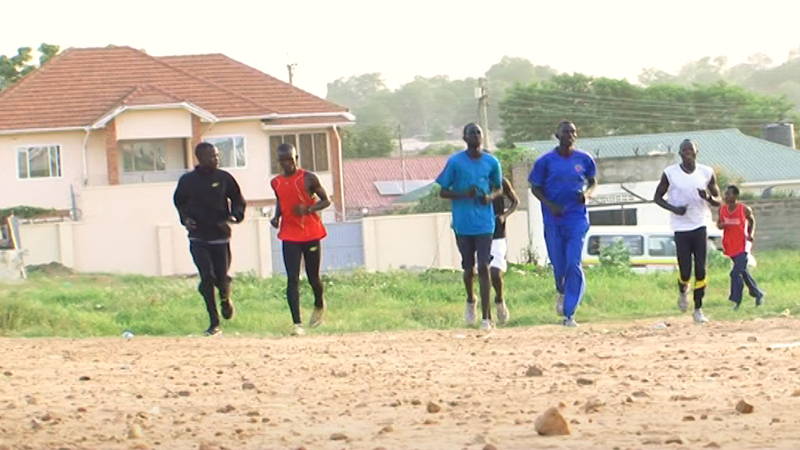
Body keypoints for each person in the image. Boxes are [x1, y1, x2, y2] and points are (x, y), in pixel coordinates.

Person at [173, 142, 246, 336]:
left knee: (221, 278)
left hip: (220, 237)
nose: (216, 159)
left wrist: (234, 216)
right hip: (198, 237)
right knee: (207, 278)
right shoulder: (187, 181)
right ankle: (214, 323)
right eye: (211, 156)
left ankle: (225, 298)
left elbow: (238, 200)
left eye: (217, 156)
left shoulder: (224, 178)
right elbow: (179, 203)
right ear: (200, 158)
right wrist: (186, 220)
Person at [529, 120, 597, 327]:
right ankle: (561, 290)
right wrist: (550, 204)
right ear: (557, 135)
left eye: (573, 132)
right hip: (553, 219)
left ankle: (570, 312)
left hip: (576, 218)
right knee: (559, 265)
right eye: (565, 132)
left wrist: (587, 194)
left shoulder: (584, 159)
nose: (569, 135)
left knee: (573, 263)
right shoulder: (545, 161)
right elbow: (535, 187)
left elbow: (593, 181)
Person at [436, 123, 503, 330]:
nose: (475, 135)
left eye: (478, 132)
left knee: (484, 266)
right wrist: (465, 194)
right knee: (468, 268)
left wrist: (490, 197)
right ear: (464, 138)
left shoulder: (491, 162)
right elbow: (443, 191)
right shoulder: (455, 162)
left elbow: (499, 188)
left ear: (483, 137)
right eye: (471, 133)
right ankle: (470, 299)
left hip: (485, 222)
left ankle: (486, 317)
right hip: (463, 223)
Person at [653, 139, 721, 324]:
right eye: (684, 150)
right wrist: (674, 209)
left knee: (701, 269)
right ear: (680, 153)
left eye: (691, 150)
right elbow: (657, 198)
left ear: (697, 152)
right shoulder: (670, 173)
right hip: (681, 227)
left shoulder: (706, 172)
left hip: (700, 224)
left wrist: (707, 197)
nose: (688, 153)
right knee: (685, 271)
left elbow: (718, 199)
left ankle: (698, 309)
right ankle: (683, 291)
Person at [270, 143, 330, 336]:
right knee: (292, 278)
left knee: (313, 276)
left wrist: (308, 209)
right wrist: (276, 216)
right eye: (283, 161)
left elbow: (326, 200)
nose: (287, 164)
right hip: (289, 233)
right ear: (279, 162)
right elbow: (280, 200)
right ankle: (297, 323)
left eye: (290, 160)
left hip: (310, 231)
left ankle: (319, 303)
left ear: (296, 159)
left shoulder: (308, 178)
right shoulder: (276, 182)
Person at [717, 185, 765, 309]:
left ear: (736, 196)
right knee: (743, 272)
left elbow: (752, 221)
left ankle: (736, 301)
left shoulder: (743, 209)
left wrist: (750, 234)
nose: (726, 197)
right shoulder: (722, 209)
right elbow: (719, 224)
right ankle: (758, 294)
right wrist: (721, 225)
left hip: (743, 245)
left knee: (735, 273)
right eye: (725, 194)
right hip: (730, 245)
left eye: (729, 194)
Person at [489, 177, 520, 325]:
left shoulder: (500, 181)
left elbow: (515, 202)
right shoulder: (471, 179)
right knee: (481, 272)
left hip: (497, 234)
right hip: (476, 231)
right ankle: (486, 316)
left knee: (495, 272)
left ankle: (499, 299)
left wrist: (504, 216)